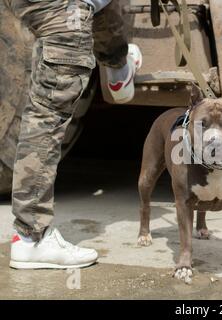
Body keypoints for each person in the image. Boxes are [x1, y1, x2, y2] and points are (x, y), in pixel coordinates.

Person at [6, 0, 142, 269]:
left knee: (43, 113)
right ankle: (31, 238)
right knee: (46, 117)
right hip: (65, 12)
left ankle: (118, 70)